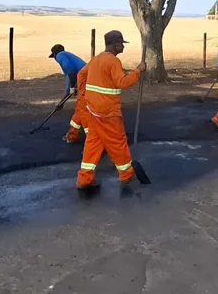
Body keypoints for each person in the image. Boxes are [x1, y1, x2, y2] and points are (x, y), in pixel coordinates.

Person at [77, 31, 146, 190]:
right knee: (117, 143)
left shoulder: (96, 59)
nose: (123, 47)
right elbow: (122, 82)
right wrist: (138, 71)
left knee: (93, 144)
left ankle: (85, 179)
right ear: (116, 45)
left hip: (93, 110)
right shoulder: (113, 61)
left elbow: (81, 74)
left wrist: (83, 94)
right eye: (122, 44)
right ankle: (127, 175)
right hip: (108, 112)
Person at [50, 44, 90, 143]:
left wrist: (73, 86)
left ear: (54, 54)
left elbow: (71, 72)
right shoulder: (71, 62)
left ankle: (93, 139)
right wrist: (61, 103)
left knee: (83, 109)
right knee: (81, 108)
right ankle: (73, 135)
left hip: (87, 80)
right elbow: (69, 90)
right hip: (87, 79)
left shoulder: (60, 55)